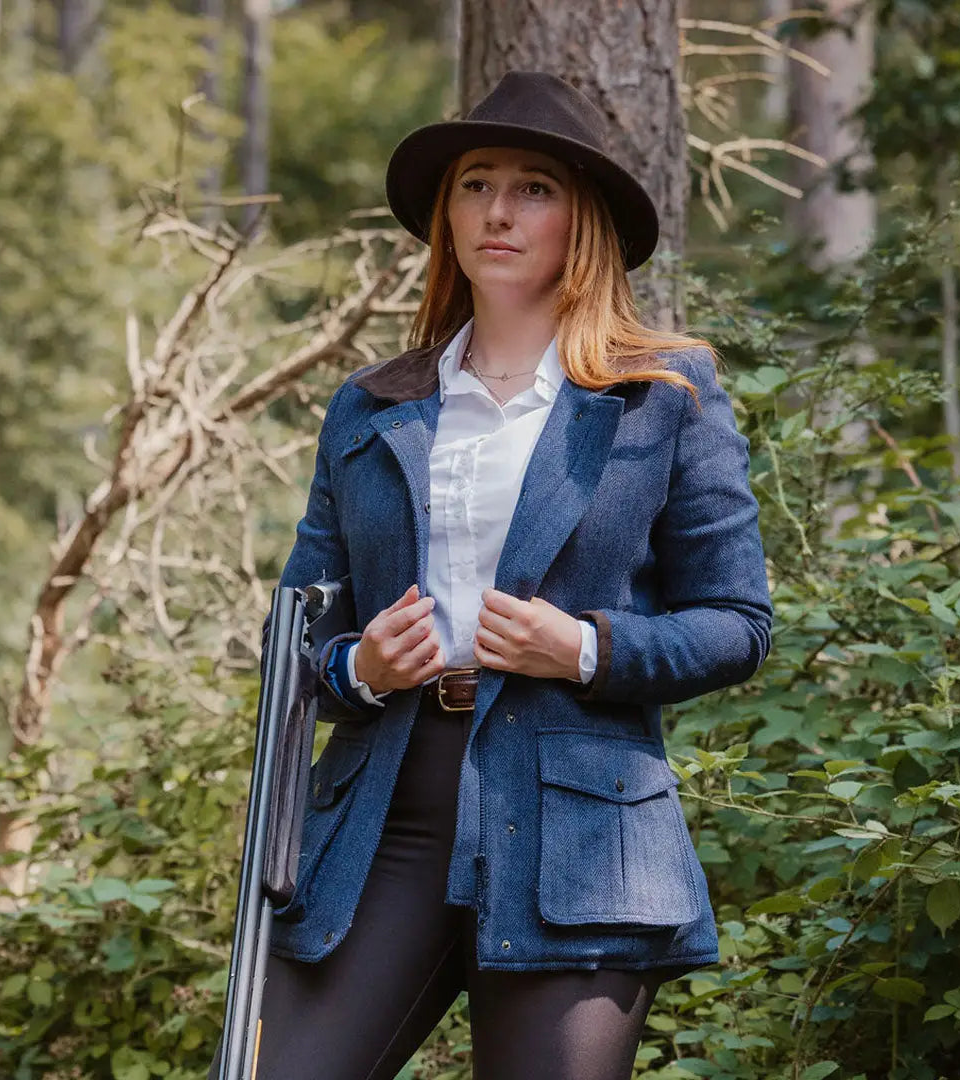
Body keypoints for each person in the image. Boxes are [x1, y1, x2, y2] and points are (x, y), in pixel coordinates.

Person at [210, 70, 772, 1080]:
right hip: (386, 812)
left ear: (582, 220)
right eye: (475, 185)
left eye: (533, 188)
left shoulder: (666, 397)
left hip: (580, 822)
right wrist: (360, 671)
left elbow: (737, 623)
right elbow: (295, 634)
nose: (498, 212)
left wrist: (586, 648)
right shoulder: (371, 405)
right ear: (447, 214)